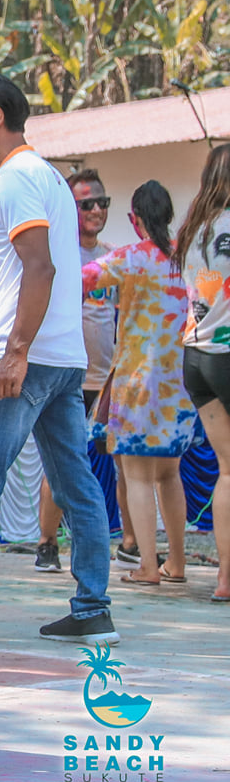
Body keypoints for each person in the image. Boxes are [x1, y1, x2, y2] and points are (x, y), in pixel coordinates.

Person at [0, 72, 115, 645]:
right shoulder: (48, 176)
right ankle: (93, 607)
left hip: (26, 357)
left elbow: (40, 266)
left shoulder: (17, 177)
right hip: (61, 357)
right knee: (75, 482)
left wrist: (15, 352)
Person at [83, 181, 199, 588]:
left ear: (135, 220)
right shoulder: (186, 257)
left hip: (136, 383)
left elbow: (83, 278)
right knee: (170, 474)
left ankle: (148, 566)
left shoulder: (130, 257)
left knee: (137, 477)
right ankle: (177, 563)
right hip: (179, 383)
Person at [39, 168, 122, 571]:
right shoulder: (62, 252)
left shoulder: (114, 257)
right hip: (69, 374)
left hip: (108, 379)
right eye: (86, 204)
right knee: (62, 463)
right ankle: (47, 542)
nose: (96, 210)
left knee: (120, 463)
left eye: (102, 203)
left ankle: (128, 544)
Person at [173, 143, 230, 602]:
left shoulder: (195, 229)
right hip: (226, 353)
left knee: (228, 470)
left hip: (196, 356)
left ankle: (225, 579)